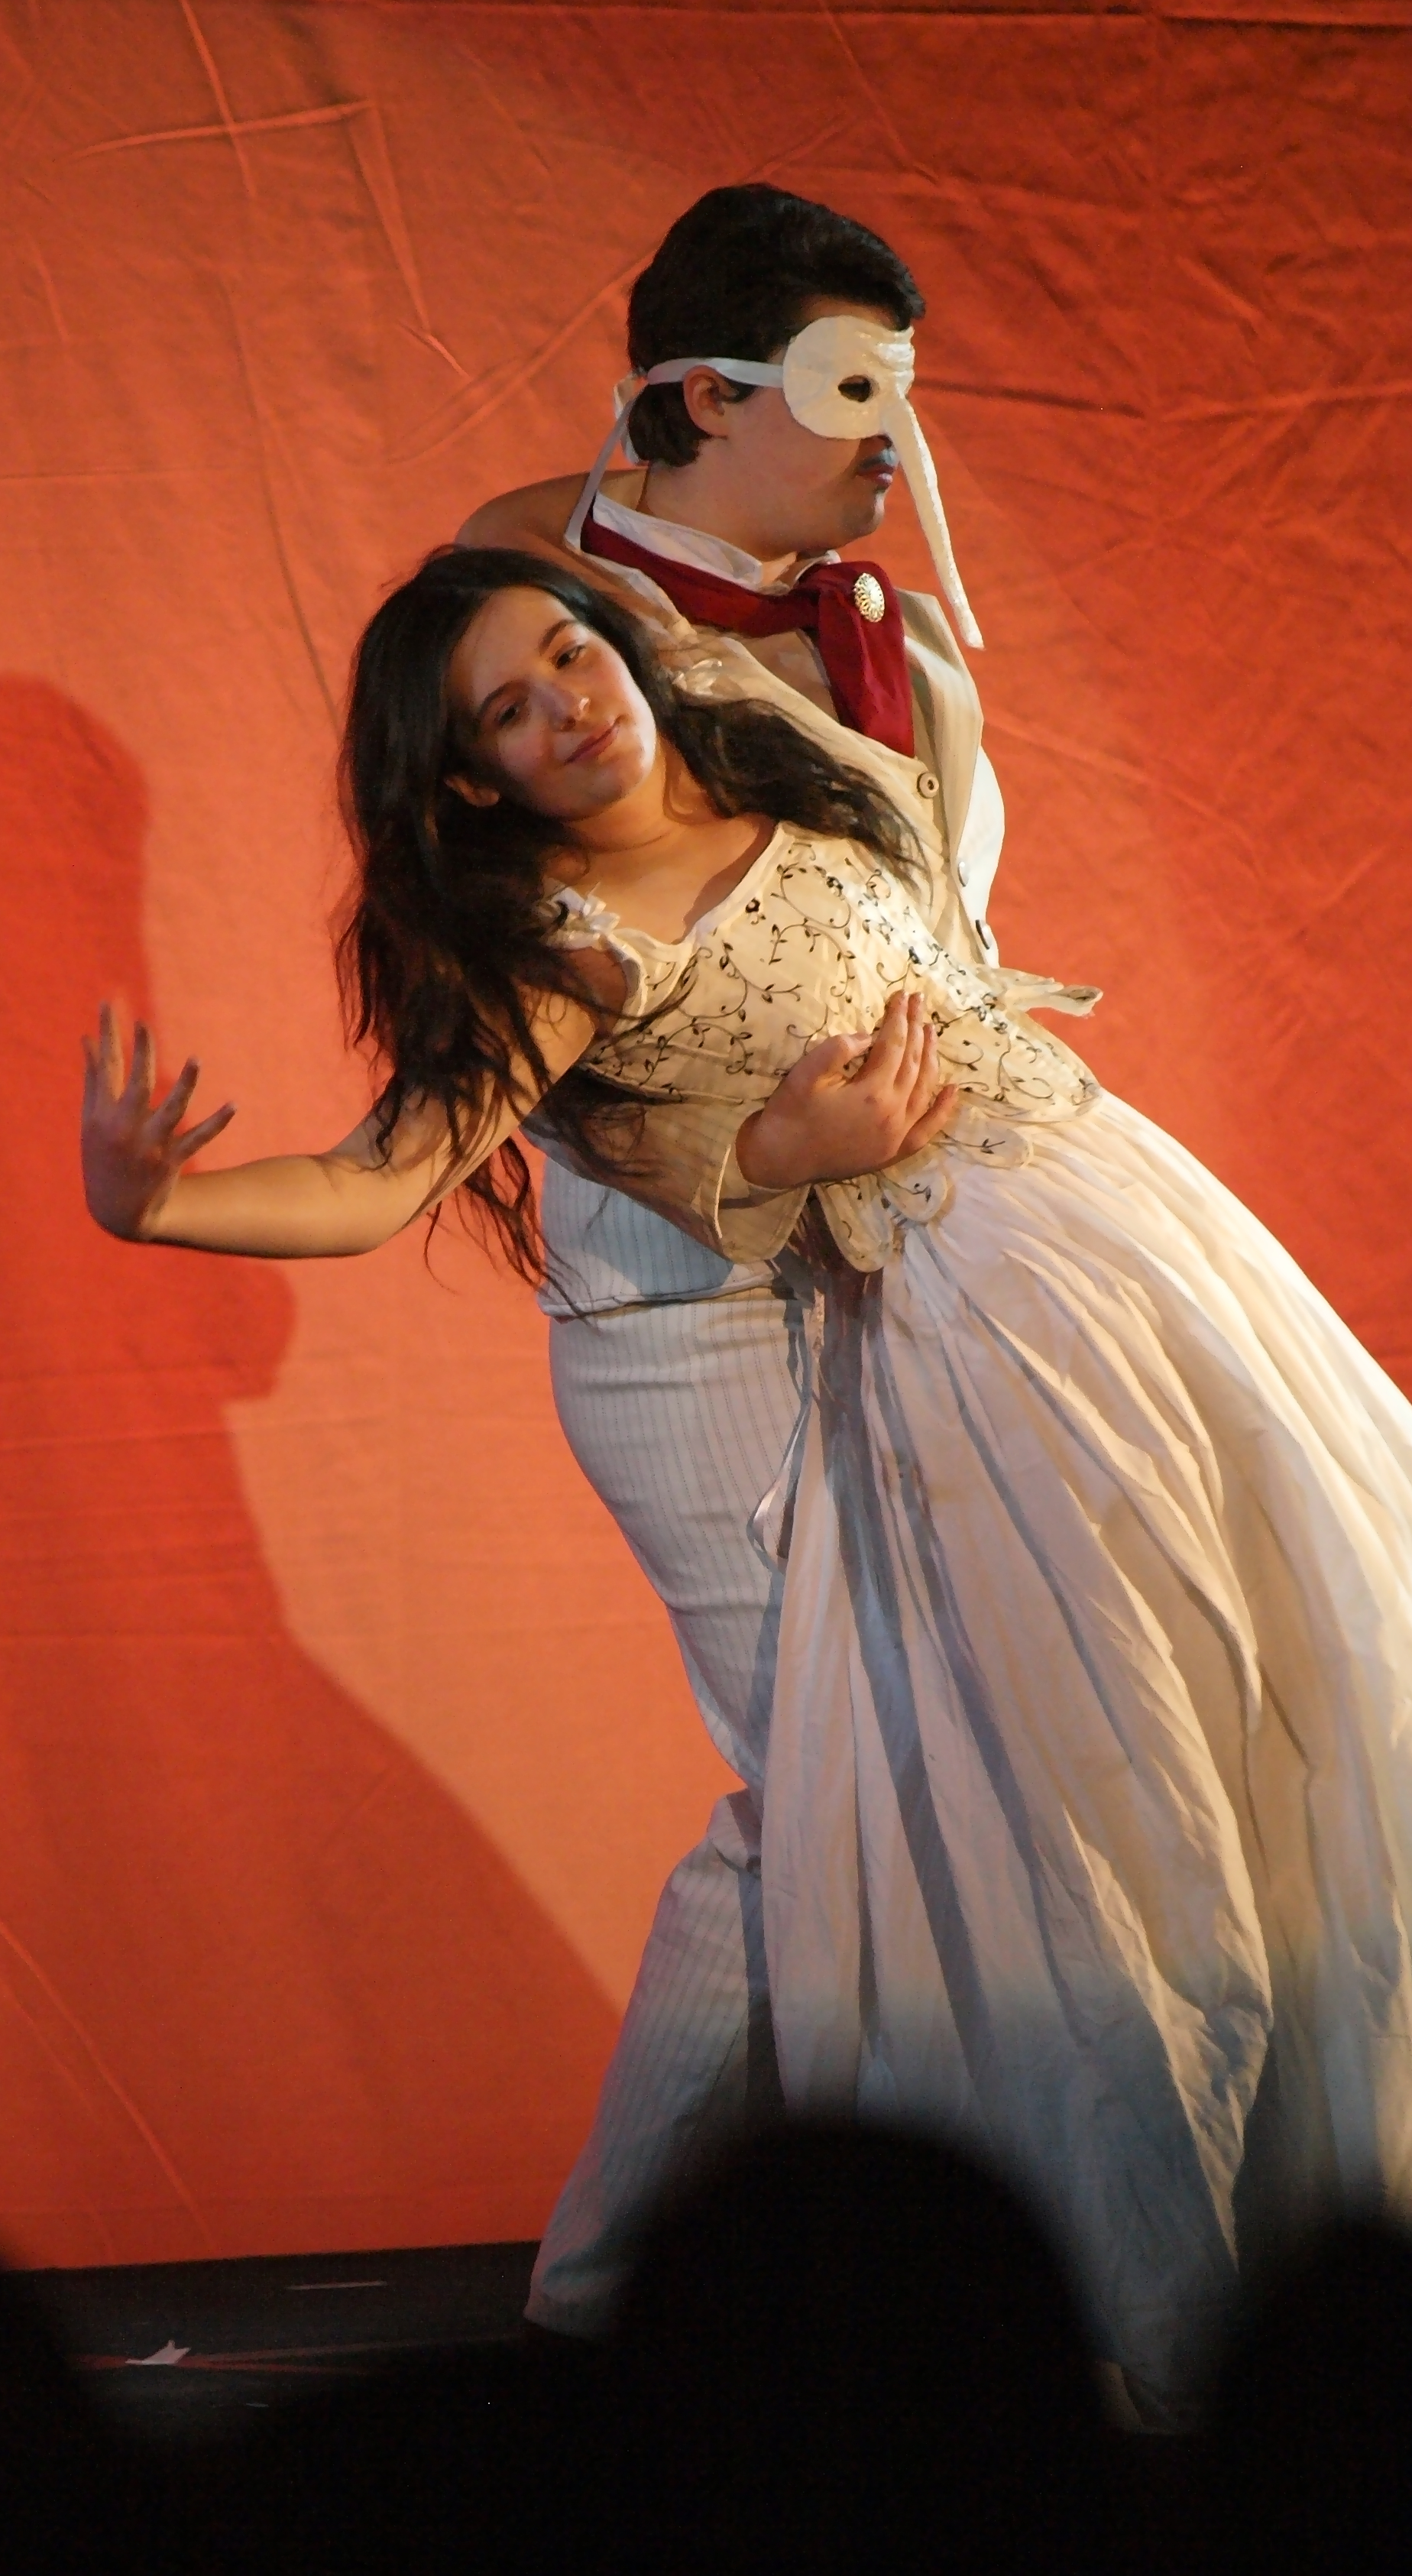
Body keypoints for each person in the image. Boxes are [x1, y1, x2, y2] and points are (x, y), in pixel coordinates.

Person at [81, 544, 1412, 2412]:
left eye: (570, 653)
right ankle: (1140, 2282)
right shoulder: (571, 945)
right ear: (471, 780)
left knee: (1332, 1648)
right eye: (509, 708)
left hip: (1139, 1232)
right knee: (1108, 1762)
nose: (569, 703)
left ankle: (1378, 2215)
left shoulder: (777, 762)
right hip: (976, 1319)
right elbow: (380, 1177)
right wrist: (161, 1206)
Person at [458, 186, 1016, 2335]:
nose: (894, 440)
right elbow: (509, 991)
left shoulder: (905, 650)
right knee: (823, 1784)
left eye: (903, 388)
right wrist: (748, 1158)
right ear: (698, 396)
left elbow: (947, 937)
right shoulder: (562, 637)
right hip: (689, 1291)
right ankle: (602, 2303)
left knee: (946, 1760)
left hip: (907, 1251)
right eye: (848, 388)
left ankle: (826, 2293)